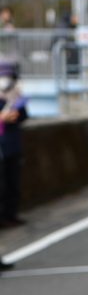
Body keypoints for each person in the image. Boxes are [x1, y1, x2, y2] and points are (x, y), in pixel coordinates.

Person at [0, 61, 28, 229]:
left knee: (13, 183)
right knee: (1, 186)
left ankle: (11, 215)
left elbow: (23, 117)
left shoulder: (15, 98)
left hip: (13, 147)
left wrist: (16, 106)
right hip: (2, 150)